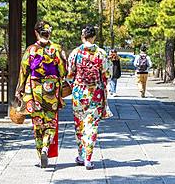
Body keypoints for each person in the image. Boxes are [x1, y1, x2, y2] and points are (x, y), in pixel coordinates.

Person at [15, 21, 66, 168]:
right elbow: (63, 71)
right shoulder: (56, 49)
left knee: (38, 123)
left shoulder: (31, 50)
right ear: (49, 33)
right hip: (52, 90)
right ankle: (45, 148)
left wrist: (19, 89)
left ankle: (40, 156)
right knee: (51, 123)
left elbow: (23, 71)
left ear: (36, 33)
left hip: (35, 90)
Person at [67, 24, 112, 170]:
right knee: (91, 126)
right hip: (95, 94)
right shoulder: (100, 53)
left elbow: (69, 74)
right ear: (94, 37)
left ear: (82, 36)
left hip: (79, 93)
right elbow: (107, 74)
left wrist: (75, 84)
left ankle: (80, 155)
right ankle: (88, 158)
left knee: (79, 124)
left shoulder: (75, 52)